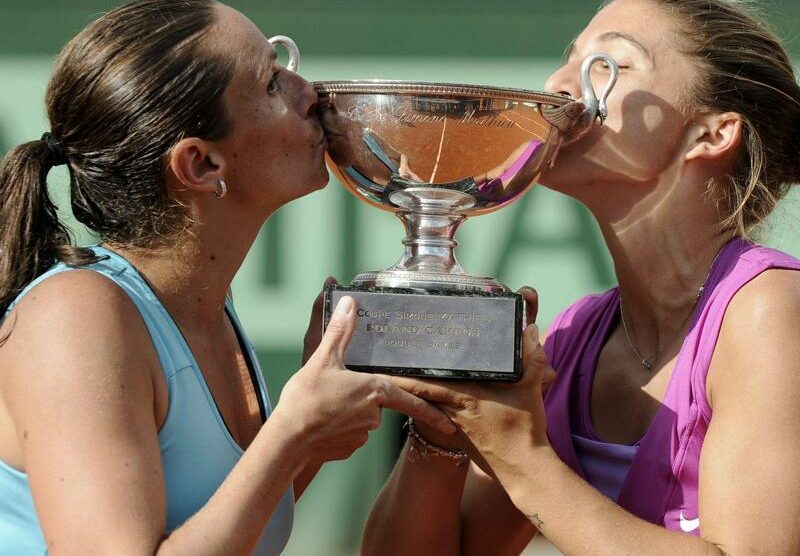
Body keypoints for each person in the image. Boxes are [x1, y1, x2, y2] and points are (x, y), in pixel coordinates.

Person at [0, 1, 457, 554]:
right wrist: (291, 437)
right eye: (271, 81)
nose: (308, 91)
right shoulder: (75, 315)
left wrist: (307, 441)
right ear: (201, 165)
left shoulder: (204, 305)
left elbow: (234, 525)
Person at [363, 0, 800, 554]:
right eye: (569, 60)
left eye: (611, 63)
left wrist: (519, 454)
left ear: (710, 136)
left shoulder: (770, 309)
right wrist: (443, 422)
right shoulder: (575, 339)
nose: (558, 84)